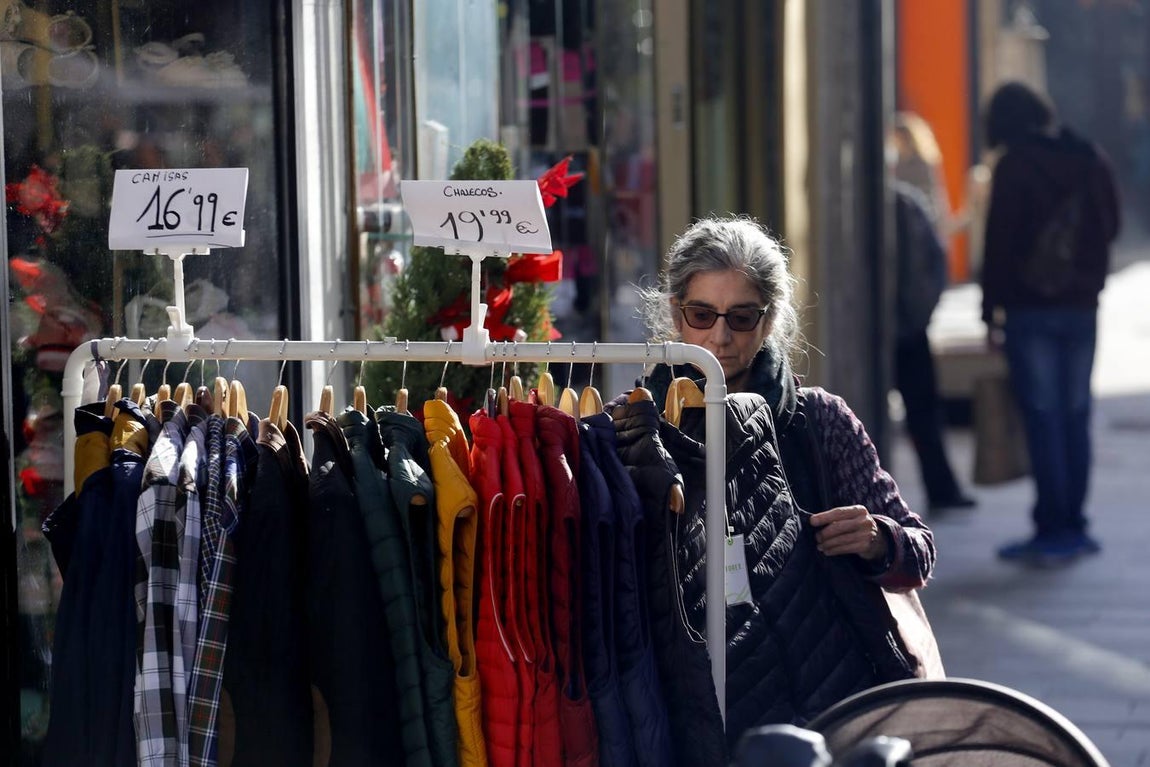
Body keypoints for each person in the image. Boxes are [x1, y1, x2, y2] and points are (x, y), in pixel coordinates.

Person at [637, 216, 937, 723]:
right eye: (702, 314)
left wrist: (876, 539)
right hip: (694, 704)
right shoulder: (640, 431)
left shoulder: (819, 420)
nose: (720, 336)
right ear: (675, 314)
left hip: (830, 699)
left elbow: (918, 550)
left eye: (742, 317)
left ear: (770, 320)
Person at [981, 82, 1121, 563]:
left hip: (1029, 309)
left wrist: (989, 309)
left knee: (1042, 417)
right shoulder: (1089, 156)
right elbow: (1112, 225)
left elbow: (999, 241)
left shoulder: (1015, 164)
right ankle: (1075, 525)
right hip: (1082, 306)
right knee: (1075, 414)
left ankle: (1051, 528)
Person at [891, 179, 977, 513]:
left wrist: (920, 312)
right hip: (906, 326)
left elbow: (936, 261)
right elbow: (937, 260)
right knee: (922, 414)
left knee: (924, 414)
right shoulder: (905, 203)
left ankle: (942, 490)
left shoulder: (905, 204)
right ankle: (942, 490)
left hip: (908, 327)